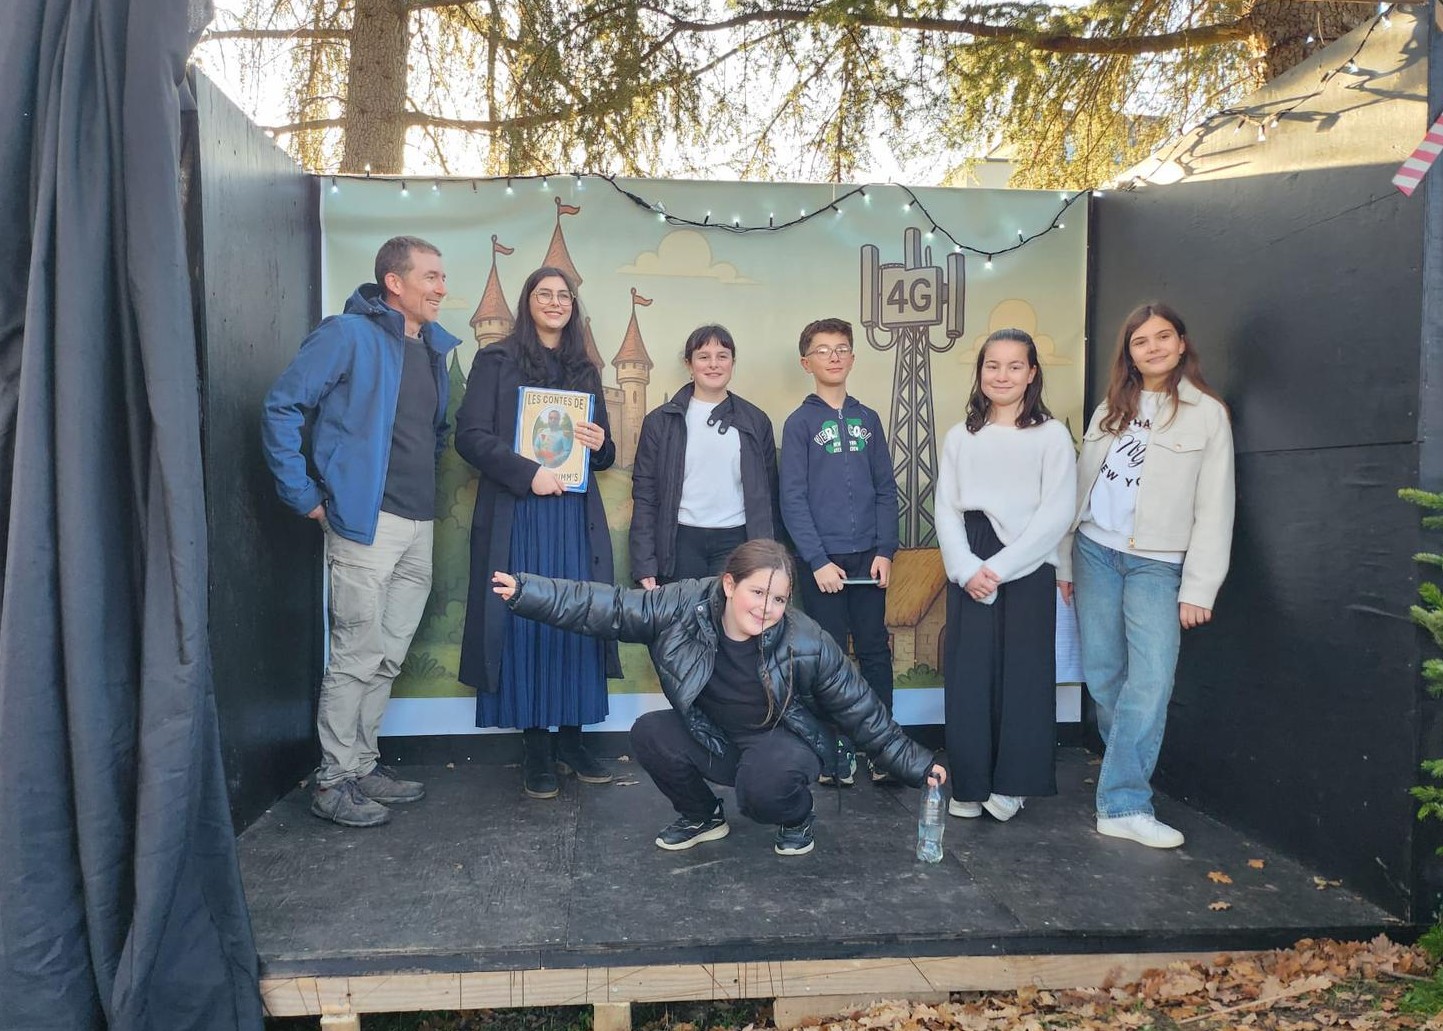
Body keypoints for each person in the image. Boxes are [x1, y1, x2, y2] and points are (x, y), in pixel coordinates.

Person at [490, 539, 947, 856]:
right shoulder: (682, 606)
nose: (766, 608)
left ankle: (797, 817)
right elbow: (608, 607)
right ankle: (703, 816)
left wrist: (919, 765)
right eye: (757, 592)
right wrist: (528, 592)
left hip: (783, 743)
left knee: (761, 790)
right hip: (716, 737)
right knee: (650, 732)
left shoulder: (807, 641)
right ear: (729, 585)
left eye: (779, 599)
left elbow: (862, 712)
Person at [261, 235, 460, 828]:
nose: (441, 287)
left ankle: (363, 765)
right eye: (430, 276)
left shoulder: (432, 349)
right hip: (364, 524)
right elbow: (281, 406)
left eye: (442, 276)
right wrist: (304, 494)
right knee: (356, 655)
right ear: (394, 282)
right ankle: (332, 781)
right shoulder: (346, 335)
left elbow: (433, 434)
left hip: (418, 525)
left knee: (388, 656)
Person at [1056, 302, 1235, 849]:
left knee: (1151, 679)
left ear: (1181, 344)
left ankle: (1124, 803)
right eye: (1140, 341)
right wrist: (1065, 559)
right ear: (1129, 353)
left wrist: (1200, 586)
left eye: (1163, 337)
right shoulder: (1110, 408)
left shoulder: (1207, 414)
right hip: (1094, 553)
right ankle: (1124, 788)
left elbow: (1216, 507)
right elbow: (1079, 489)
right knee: (1104, 676)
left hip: (1158, 563)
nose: (1152, 347)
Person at [454, 266, 621, 800]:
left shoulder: (585, 368)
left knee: (577, 617)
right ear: (528, 302)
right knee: (524, 617)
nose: (555, 302)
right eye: (544, 294)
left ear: (573, 305)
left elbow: (605, 454)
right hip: (520, 513)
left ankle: (573, 741)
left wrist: (598, 443)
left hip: (574, 517)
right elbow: (469, 436)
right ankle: (536, 747)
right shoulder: (496, 360)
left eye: (563, 296)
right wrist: (528, 474)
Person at [934, 329, 1076, 825]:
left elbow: (1057, 514)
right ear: (980, 372)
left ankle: (1014, 784)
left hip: (1028, 564)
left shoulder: (1052, 436)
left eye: (1015, 366)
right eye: (992, 365)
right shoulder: (960, 436)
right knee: (969, 674)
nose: (1002, 375)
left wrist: (1000, 568)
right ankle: (970, 782)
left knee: (1024, 675)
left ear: (1032, 373)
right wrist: (966, 568)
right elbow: (946, 509)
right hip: (970, 560)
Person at [779, 317, 900, 785]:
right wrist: (817, 560)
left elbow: (886, 489)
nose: (833, 356)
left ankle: (882, 747)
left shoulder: (868, 419)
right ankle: (834, 751)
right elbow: (792, 498)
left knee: (874, 652)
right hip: (823, 564)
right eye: (823, 350)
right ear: (805, 362)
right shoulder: (799, 424)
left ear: (852, 357)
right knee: (827, 658)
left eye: (842, 348)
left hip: (869, 558)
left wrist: (885, 550)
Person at [629, 324, 778, 588]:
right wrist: (644, 562)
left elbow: (769, 497)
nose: (713, 364)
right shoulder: (660, 422)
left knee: (729, 613)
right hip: (679, 541)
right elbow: (645, 495)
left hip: (737, 541)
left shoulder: (756, 421)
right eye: (703, 356)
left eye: (722, 356)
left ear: (732, 362)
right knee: (682, 612)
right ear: (689, 364)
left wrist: (769, 559)